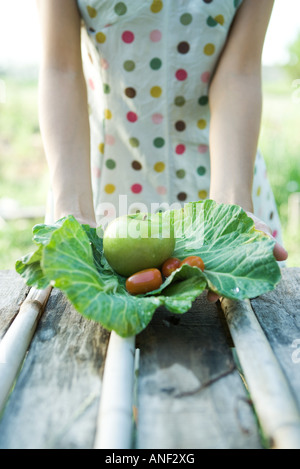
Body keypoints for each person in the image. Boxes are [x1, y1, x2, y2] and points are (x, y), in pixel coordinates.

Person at [35, 0, 288, 301]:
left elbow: (239, 72)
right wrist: (73, 214)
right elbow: (60, 68)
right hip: (98, 190)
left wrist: (229, 214)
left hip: (223, 180)